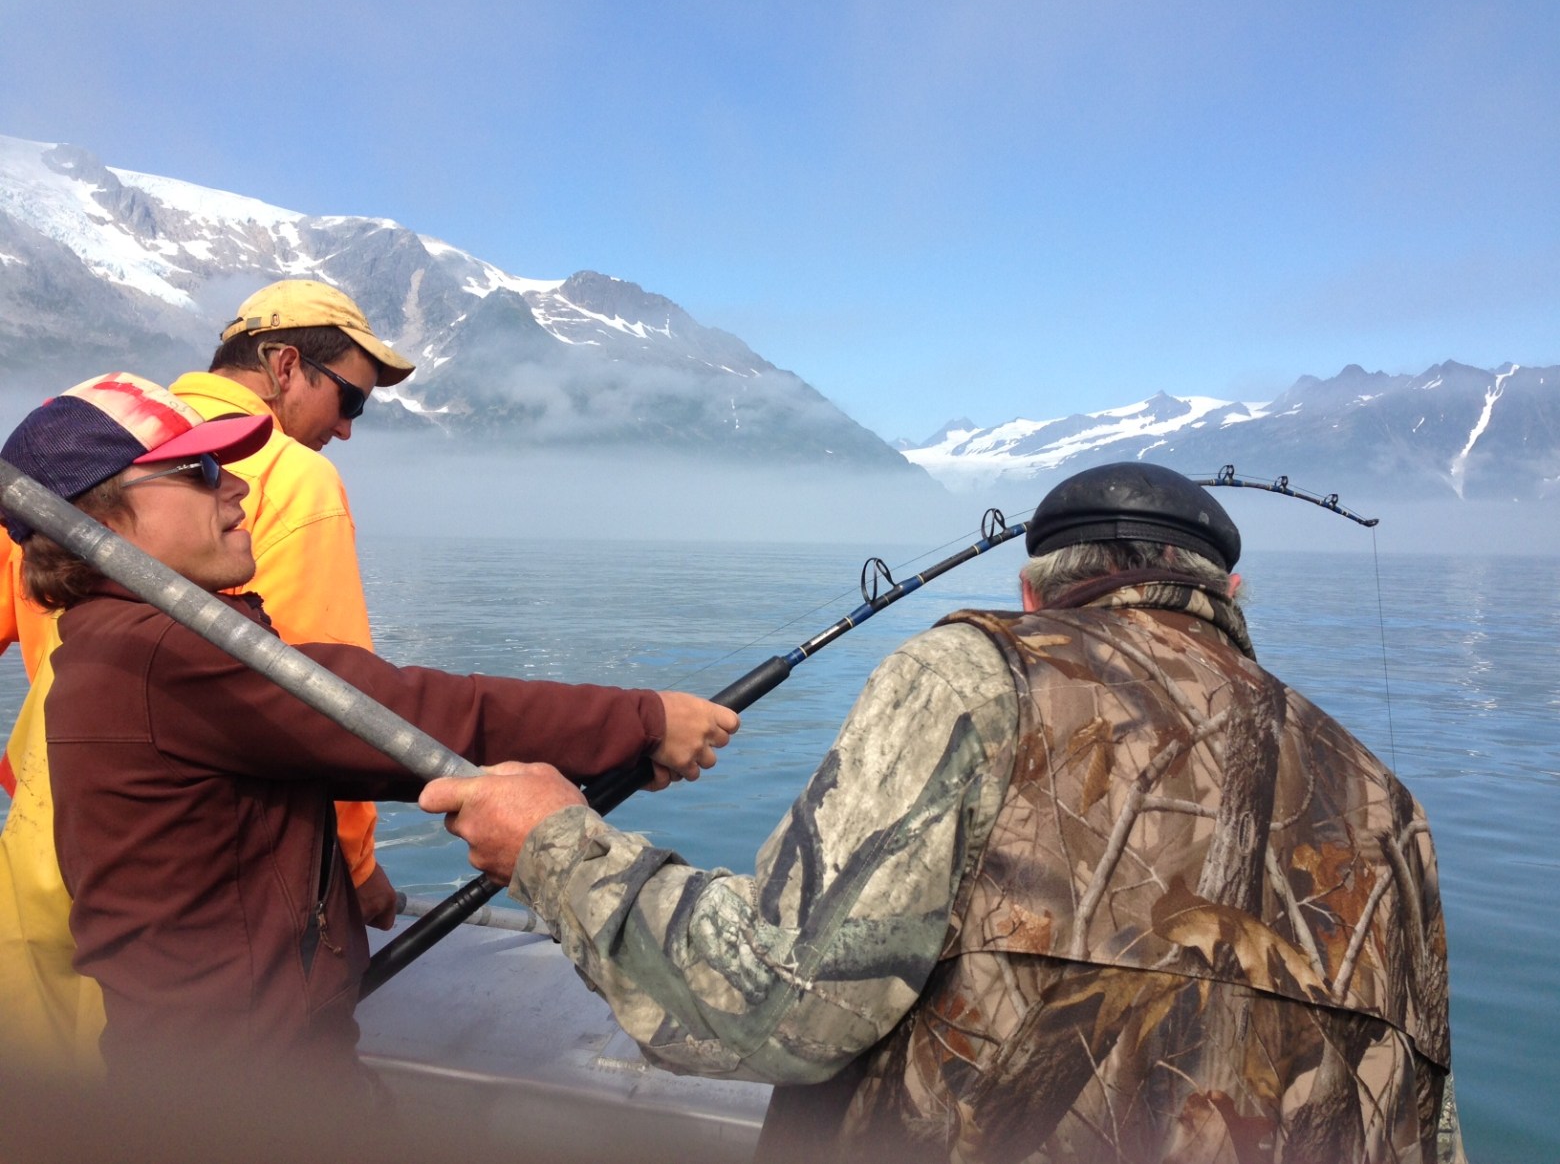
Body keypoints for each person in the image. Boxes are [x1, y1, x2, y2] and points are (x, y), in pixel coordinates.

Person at [422, 462, 1453, 1163]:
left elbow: (782, 1009)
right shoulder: (1386, 800)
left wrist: (555, 845)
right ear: (1231, 589)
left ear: (1033, 591)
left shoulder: (975, 674)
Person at [0, 373, 738, 1105]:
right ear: (97, 517)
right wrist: (645, 722)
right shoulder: (164, 656)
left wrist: (618, 752)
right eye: (199, 471)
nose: (237, 489)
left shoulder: (120, 646)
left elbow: (353, 742)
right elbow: (417, 713)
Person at [0, 280, 410, 1071]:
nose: (350, 430)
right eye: (354, 399)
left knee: (54, 1070)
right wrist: (357, 870)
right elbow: (332, 709)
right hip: (198, 843)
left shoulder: (92, 452)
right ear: (286, 365)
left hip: (47, 820)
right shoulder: (289, 478)